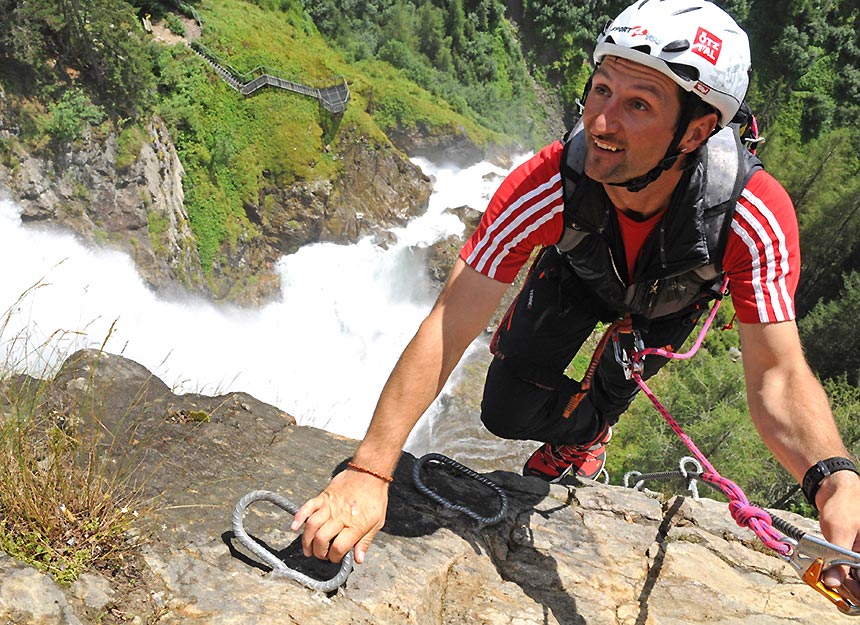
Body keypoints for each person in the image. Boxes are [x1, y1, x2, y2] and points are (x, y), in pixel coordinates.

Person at [293, 0, 860, 597]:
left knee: (620, 373)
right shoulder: (547, 184)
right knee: (503, 412)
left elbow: (778, 376)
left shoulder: (752, 214)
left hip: (672, 297)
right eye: (600, 89)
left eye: (637, 104)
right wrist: (369, 469)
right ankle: (581, 430)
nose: (600, 122)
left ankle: (592, 422)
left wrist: (834, 482)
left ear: (696, 131)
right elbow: (449, 323)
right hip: (579, 269)